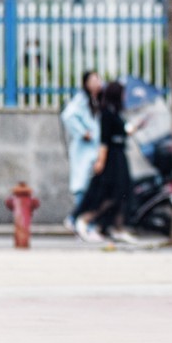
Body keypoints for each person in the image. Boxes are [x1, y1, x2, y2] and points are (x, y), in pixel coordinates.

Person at [70, 80, 136, 245]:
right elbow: (104, 141)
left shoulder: (117, 112)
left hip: (120, 157)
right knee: (108, 194)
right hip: (112, 159)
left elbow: (121, 133)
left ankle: (116, 227)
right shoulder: (106, 113)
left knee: (123, 194)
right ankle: (84, 221)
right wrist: (100, 161)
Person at [60, 70, 103, 232]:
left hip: (94, 149)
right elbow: (68, 116)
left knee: (92, 185)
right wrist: (83, 132)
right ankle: (78, 220)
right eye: (93, 80)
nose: (97, 83)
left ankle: (80, 220)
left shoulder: (96, 100)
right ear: (86, 83)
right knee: (82, 185)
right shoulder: (81, 100)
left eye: (98, 79)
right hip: (83, 150)